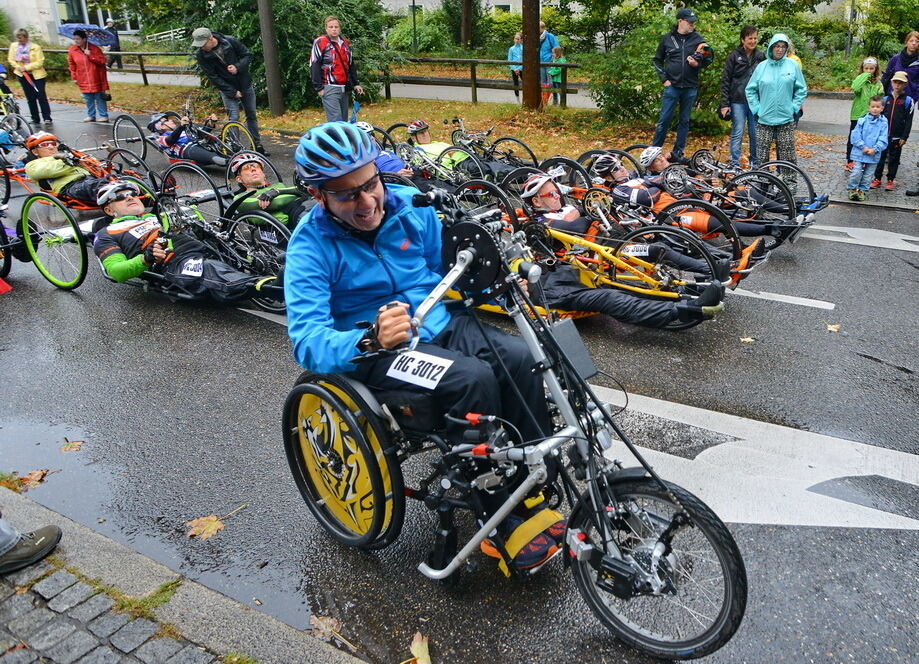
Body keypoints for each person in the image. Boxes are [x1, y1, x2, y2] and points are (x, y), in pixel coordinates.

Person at [285, 121, 561, 572]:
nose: (367, 201)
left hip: (437, 322)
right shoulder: (309, 248)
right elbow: (307, 342)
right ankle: (493, 507)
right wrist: (369, 337)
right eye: (347, 194)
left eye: (370, 183)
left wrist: (500, 283)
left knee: (522, 358)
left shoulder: (413, 209)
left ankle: (527, 480)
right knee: (471, 379)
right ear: (320, 196)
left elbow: (448, 272)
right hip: (377, 352)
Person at [519, 172, 725, 328]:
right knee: (616, 294)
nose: (557, 196)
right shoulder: (539, 222)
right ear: (537, 201)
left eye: (557, 191)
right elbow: (569, 227)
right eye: (551, 193)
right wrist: (584, 216)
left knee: (655, 249)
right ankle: (688, 309)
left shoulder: (566, 210)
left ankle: (703, 279)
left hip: (605, 254)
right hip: (588, 263)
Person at [93, 180, 282, 302]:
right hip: (175, 261)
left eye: (132, 194)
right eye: (119, 197)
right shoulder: (107, 233)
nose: (129, 198)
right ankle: (271, 287)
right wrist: (145, 259)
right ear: (109, 210)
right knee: (210, 270)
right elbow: (116, 272)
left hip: (205, 245)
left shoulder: (159, 214)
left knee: (246, 251)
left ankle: (295, 267)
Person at [745, 33, 806, 191]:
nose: (780, 49)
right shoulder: (762, 66)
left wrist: (794, 107)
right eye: (777, 46)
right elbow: (750, 90)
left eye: (783, 46)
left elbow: (801, 89)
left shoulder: (792, 66)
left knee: (788, 155)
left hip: (785, 119)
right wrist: (756, 109)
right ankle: (763, 185)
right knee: (762, 155)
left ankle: (790, 186)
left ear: (786, 48)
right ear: (771, 47)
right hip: (764, 119)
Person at [651, 8, 713, 164]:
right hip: (672, 86)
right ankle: (654, 153)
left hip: (690, 87)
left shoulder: (698, 39)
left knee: (684, 121)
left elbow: (709, 59)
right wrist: (664, 80)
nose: (692, 24)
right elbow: (657, 60)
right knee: (664, 120)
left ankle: (677, 154)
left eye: (694, 22)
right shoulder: (667, 39)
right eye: (689, 21)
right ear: (680, 21)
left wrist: (697, 63)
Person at [192, 28, 266, 155]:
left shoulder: (230, 41)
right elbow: (213, 77)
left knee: (251, 114)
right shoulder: (201, 55)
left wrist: (238, 67)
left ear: (211, 39)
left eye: (203, 44)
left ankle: (256, 145)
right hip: (226, 88)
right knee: (234, 117)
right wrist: (232, 92)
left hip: (244, 83)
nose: (202, 47)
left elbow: (247, 55)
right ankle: (235, 148)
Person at [720, 25, 765, 168]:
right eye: (750, 38)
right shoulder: (734, 56)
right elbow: (726, 80)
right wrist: (724, 104)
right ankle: (734, 163)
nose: (753, 41)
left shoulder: (761, 56)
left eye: (755, 38)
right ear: (743, 39)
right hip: (737, 100)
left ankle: (755, 163)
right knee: (738, 131)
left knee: (755, 133)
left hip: (755, 101)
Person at [230, 152, 312, 226]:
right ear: (239, 179)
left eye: (256, 166)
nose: (253, 169)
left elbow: (303, 189)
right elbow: (278, 202)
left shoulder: (278, 185)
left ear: (263, 173)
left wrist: (277, 191)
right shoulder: (240, 198)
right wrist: (300, 195)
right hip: (298, 217)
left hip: (310, 206)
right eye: (246, 168)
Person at [23, 131, 108, 203]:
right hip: (71, 186)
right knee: (102, 187)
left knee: (114, 180)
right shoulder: (33, 165)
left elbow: (91, 164)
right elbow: (51, 170)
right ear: (35, 151)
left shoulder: (67, 156)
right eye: (45, 145)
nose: (51, 147)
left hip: (90, 179)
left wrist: (86, 159)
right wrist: (66, 160)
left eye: (53, 144)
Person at [310, 16, 364, 123]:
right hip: (329, 86)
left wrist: (356, 83)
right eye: (331, 27)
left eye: (336, 27)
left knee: (343, 121)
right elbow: (314, 64)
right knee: (336, 120)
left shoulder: (345, 43)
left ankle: (339, 139)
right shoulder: (321, 42)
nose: (334, 29)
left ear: (340, 29)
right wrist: (319, 88)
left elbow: (350, 65)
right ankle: (335, 139)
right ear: (326, 28)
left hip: (344, 87)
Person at [870, 72, 914, 191]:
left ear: (905, 84)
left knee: (894, 159)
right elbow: (878, 118)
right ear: (891, 82)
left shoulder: (908, 101)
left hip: (897, 136)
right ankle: (877, 178)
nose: (897, 85)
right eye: (895, 82)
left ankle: (890, 180)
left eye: (900, 83)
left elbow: (909, 121)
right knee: (880, 157)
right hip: (883, 136)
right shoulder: (885, 100)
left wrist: (904, 137)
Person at [7, 28, 53, 127]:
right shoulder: (14, 46)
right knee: (30, 97)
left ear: (26, 37)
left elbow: (39, 62)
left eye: (21, 38)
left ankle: (47, 117)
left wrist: (26, 67)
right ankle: (35, 118)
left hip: (37, 75)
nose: (19, 40)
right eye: (18, 38)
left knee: (41, 96)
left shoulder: (35, 47)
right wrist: (18, 67)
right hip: (22, 75)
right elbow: (11, 59)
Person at [846, 57, 884, 172]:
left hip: (871, 115)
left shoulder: (878, 83)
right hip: (857, 114)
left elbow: (880, 96)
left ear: (875, 69)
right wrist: (864, 77)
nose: (868, 70)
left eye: (871, 69)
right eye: (866, 68)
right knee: (853, 136)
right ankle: (850, 160)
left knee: (867, 136)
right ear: (862, 69)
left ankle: (864, 159)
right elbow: (855, 87)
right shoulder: (860, 80)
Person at [148, 113, 228, 166]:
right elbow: (170, 140)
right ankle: (231, 163)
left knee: (223, 142)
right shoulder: (161, 138)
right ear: (161, 126)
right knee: (215, 158)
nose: (171, 120)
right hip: (188, 149)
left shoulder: (183, 130)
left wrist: (211, 123)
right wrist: (181, 126)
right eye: (167, 120)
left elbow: (200, 135)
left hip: (200, 143)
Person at [847, 96, 888, 201]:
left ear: (882, 108)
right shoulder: (862, 120)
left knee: (868, 175)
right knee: (856, 172)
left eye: (878, 107)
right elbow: (855, 135)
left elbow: (883, 138)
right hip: (860, 152)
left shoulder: (883, 122)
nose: (875, 109)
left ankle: (862, 191)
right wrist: (862, 146)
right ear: (869, 107)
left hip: (874, 153)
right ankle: (852, 189)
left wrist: (875, 149)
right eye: (873, 106)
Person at [67, 30, 109, 123]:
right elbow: (72, 64)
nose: (76, 41)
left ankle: (103, 115)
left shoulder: (95, 49)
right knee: (87, 98)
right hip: (82, 77)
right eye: (75, 39)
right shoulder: (73, 50)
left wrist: (91, 55)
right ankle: (91, 115)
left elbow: (102, 61)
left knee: (99, 97)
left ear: (84, 39)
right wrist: (74, 77)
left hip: (96, 76)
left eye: (78, 39)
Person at [881, 31, 919, 102]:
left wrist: (915, 97)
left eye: (917, 41)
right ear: (906, 42)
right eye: (911, 41)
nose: (914, 43)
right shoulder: (895, 59)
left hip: (909, 98)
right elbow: (886, 76)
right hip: (892, 97)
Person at [539, 22, 560, 93]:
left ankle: (555, 99)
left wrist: (555, 58)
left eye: (539, 28)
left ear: (543, 28)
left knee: (551, 82)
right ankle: (544, 100)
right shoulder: (535, 36)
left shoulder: (550, 36)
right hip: (540, 62)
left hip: (549, 62)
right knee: (543, 82)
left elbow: (556, 47)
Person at [507, 32, 523, 102]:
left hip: (522, 68)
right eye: (515, 39)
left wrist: (520, 68)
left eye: (518, 39)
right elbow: (509, 60)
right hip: (514, 69)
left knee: (525, 83)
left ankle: (525, 98)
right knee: (515, 83)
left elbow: (524, 59)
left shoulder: (523, 48)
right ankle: (517, 99)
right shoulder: (511, 49)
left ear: (521, 40)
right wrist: (514, 69)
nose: (517, 40)